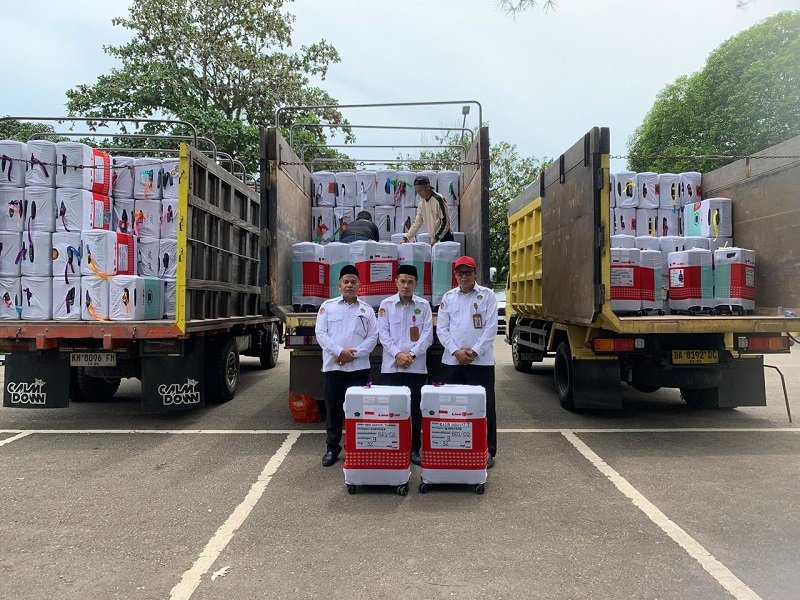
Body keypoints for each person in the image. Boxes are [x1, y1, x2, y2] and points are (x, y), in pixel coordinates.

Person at [436, 255, 498, 468]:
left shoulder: (487, 296)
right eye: (460, 272)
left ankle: (488, 450)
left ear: (475, 273)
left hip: (480, 362)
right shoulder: (448, 298)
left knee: (484, 407)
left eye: (468, 272)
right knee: (454, 407)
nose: (464, 276)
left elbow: (491, 328)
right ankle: (456, 447)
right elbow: (442, 329)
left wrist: (474, 352)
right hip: (452, 361)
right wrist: (456, 351)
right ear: (455, 275)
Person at [314, 264, 379, 467]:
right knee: (333, 409)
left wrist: (352, 355)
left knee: (358, 410)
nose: (349, 285)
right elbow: (321, 334)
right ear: (339, 285)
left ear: (359, 285)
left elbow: (373, 337)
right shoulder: (327, 307)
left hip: (358, 368)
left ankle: (357, 447)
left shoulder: (367, 310)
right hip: (334, 367)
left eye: (353, 282)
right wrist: (339, 352)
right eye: (346, 282)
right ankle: (332, 448)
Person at [377, 264, 433, 465]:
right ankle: (393, 448)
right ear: (396, 282)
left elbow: (427, 335)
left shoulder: (424, 306)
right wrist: (397, 355)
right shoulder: (386, 305)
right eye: (402, 281)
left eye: (410, 282)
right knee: (392, 409)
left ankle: (414, 448)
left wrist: (411, 355)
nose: (406, 286)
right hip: (391, 367)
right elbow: (382, 334)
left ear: (416, 284)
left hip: (415, 366)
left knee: (415, 410)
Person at [401, 175, 453, 245]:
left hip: (445, 238)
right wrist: (407, 237)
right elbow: (417, 222)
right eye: (417, 191)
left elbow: (446, 221)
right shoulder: (421, 204)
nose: (419, 194)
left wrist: (436, 237)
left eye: (420, 191)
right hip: (435, 239)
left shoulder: (438, 199)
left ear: (428, 187)